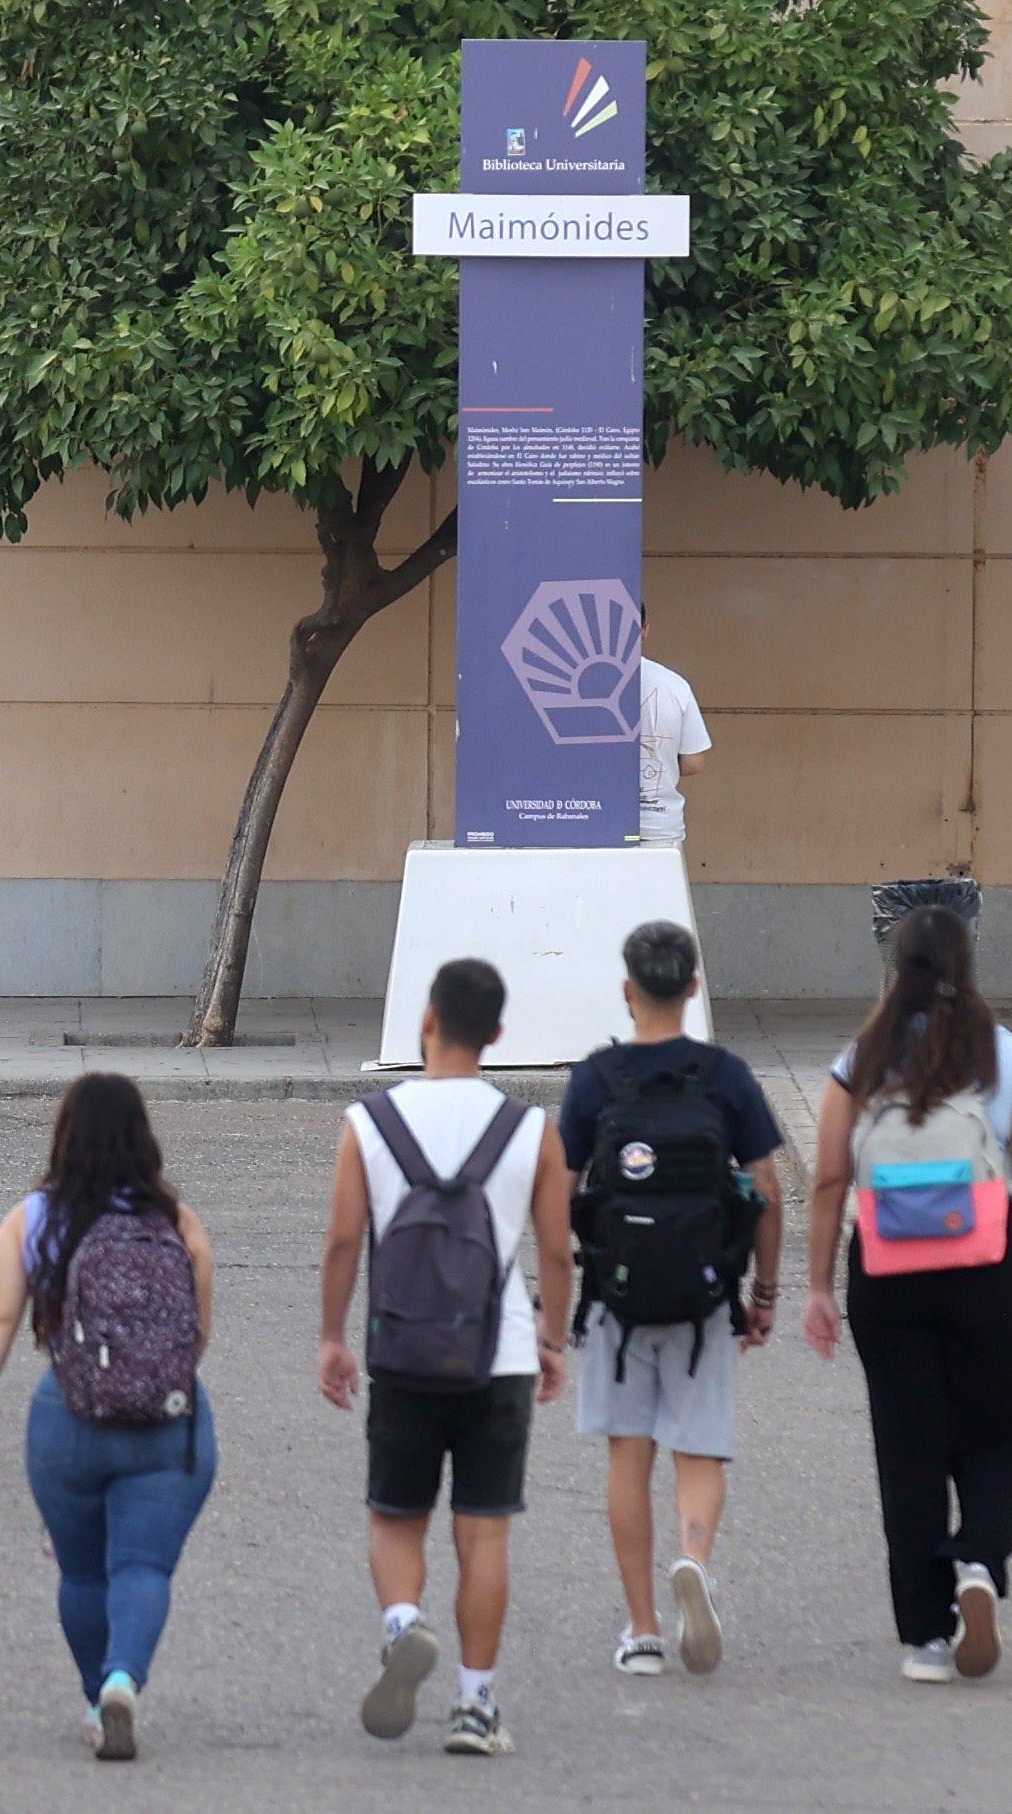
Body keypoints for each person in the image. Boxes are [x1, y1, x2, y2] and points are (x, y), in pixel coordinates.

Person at [802, 903, 1012, 1684]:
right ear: (967, 962)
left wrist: (818, 1285)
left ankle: (925, 1637)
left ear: (895, 966)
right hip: (988, 1267)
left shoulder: (858, 1058)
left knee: (907, 1448)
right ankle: (979, 1560)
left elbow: (828, 1178)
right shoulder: (1005, 1054)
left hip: (886, 1271)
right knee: (994, 1432)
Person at [317, 959, 575, 1758]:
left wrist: (332, 1337)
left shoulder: (369, 1122)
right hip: (498, 1353)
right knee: (483, 1532)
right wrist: (551, 1339)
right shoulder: (529, 1129)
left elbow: (343, 1239)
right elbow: (556, 1251)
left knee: (395, 1516)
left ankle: (403, 1625)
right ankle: (474, 1704)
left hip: (403, 1349)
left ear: (426, 1020)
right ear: (496, 1033)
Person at [0, 1074, 218, 1764]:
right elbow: (196, 1333)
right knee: (143, 1567)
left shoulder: (33, 1219)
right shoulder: (177, 1221)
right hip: (168, 1423)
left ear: (63, 1135)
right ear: (143, 1136)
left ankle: (98, 1701)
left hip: (67, 1420)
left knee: (83, 1574)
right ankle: (125, 1678)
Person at [558, 920, 784, 1678]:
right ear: (692, 987)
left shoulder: (595, 1081)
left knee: (628, 1457)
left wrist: (561, 1298)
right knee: (699, 1450)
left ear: (628, 990)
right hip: (704, 1297)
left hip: (616, 1303)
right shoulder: (726, 1077)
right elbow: (766, 1189)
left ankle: (643, 1629)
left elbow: (557, 1193)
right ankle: (693, 1559)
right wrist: (763, 1291)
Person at [635, 633, 713, 848]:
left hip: (584, 823)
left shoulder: (574, 682)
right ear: (645, 631)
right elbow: (693, 763)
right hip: (657, 828)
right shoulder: (673, 684)